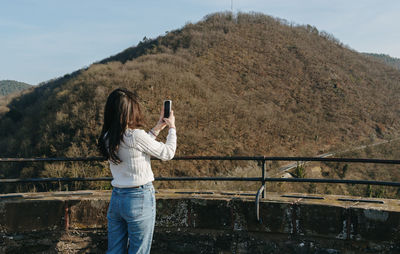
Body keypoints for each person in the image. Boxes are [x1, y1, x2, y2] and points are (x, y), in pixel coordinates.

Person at [98, 88, 177, 254]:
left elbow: (137, 146)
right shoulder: (135, 136)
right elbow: (167, 153)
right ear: (129, 111)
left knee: (114, 251)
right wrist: (172, 129)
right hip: (139, 198)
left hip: (117, 198)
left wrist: (157, 128)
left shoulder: (107, 137)